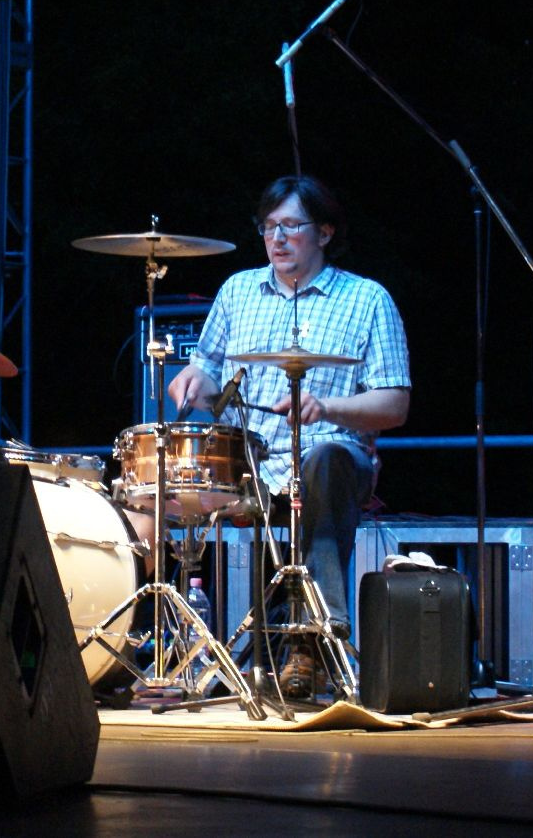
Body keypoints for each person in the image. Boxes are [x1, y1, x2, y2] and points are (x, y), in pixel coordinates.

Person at [167, 174, 410, 698]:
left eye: (291, 226)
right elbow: (208, 370)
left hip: (334, 459)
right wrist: (193, 381)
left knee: (323, 456)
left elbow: (394, 404)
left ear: (324, 232)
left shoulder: (368, 300)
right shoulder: (237, 291)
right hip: (252, 462)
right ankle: (168, 645)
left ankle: (320, 630)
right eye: (269, 227)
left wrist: (326, 406)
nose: (277, 239)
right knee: (147, 483)